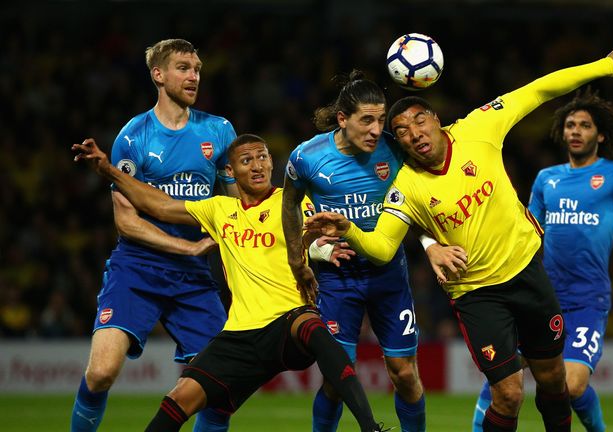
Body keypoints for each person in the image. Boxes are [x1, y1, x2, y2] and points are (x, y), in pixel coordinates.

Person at [304, 34, 613, 432]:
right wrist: (350, 229)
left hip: (526, 272)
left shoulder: (479, 127)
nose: (414, 132)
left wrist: (607, 65)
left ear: (437, 120)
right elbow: (383, 249)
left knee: (554, 379)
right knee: (508, 394)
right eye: (401, 130)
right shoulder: (407, 186)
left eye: (420, 120)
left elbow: (538, 90)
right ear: (398, 143)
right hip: (477, 294)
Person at [72, 134, 390, 432]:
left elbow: (309, 237)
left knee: (315, 330)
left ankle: (370, 427)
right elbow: (158, 205)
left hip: (288, 323)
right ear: (230, 171)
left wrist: (326, 246)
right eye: (247, 160)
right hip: (238, 337)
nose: (258, 166)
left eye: (263, 157)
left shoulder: (290, 202)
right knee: (178, 399)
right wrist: (108, 170)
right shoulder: (220, 209)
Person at [70, 39, 239, 432]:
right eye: (183, 67)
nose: (194, 75)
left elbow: (235, 203)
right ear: (158, 75)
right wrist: (189, 245)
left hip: (194, 278)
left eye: (197, 68)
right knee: (100, 373)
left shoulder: (219, 130)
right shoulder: (135, 136)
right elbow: (126, 222)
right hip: (138, 268)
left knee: (221, 385)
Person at [282, 70, 465, 432]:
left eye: (380, 120)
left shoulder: (394, 148)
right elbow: (289, 205)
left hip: (389, 276)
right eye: (366, 120)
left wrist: (429, 244)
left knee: (404, 372)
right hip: (337, 279)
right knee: (337, 378)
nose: (375, 129)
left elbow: (419, 197)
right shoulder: (307, 157)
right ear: (342, 119)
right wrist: (299, 259)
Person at [472, 88, 613, 432]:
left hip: (588, 297)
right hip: (543, 295)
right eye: (570, 124)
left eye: (585, 125)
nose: (575, 131)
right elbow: (529, 233)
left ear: (600, 134)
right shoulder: (547, 179)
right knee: (502, 377)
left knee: (571, 386)